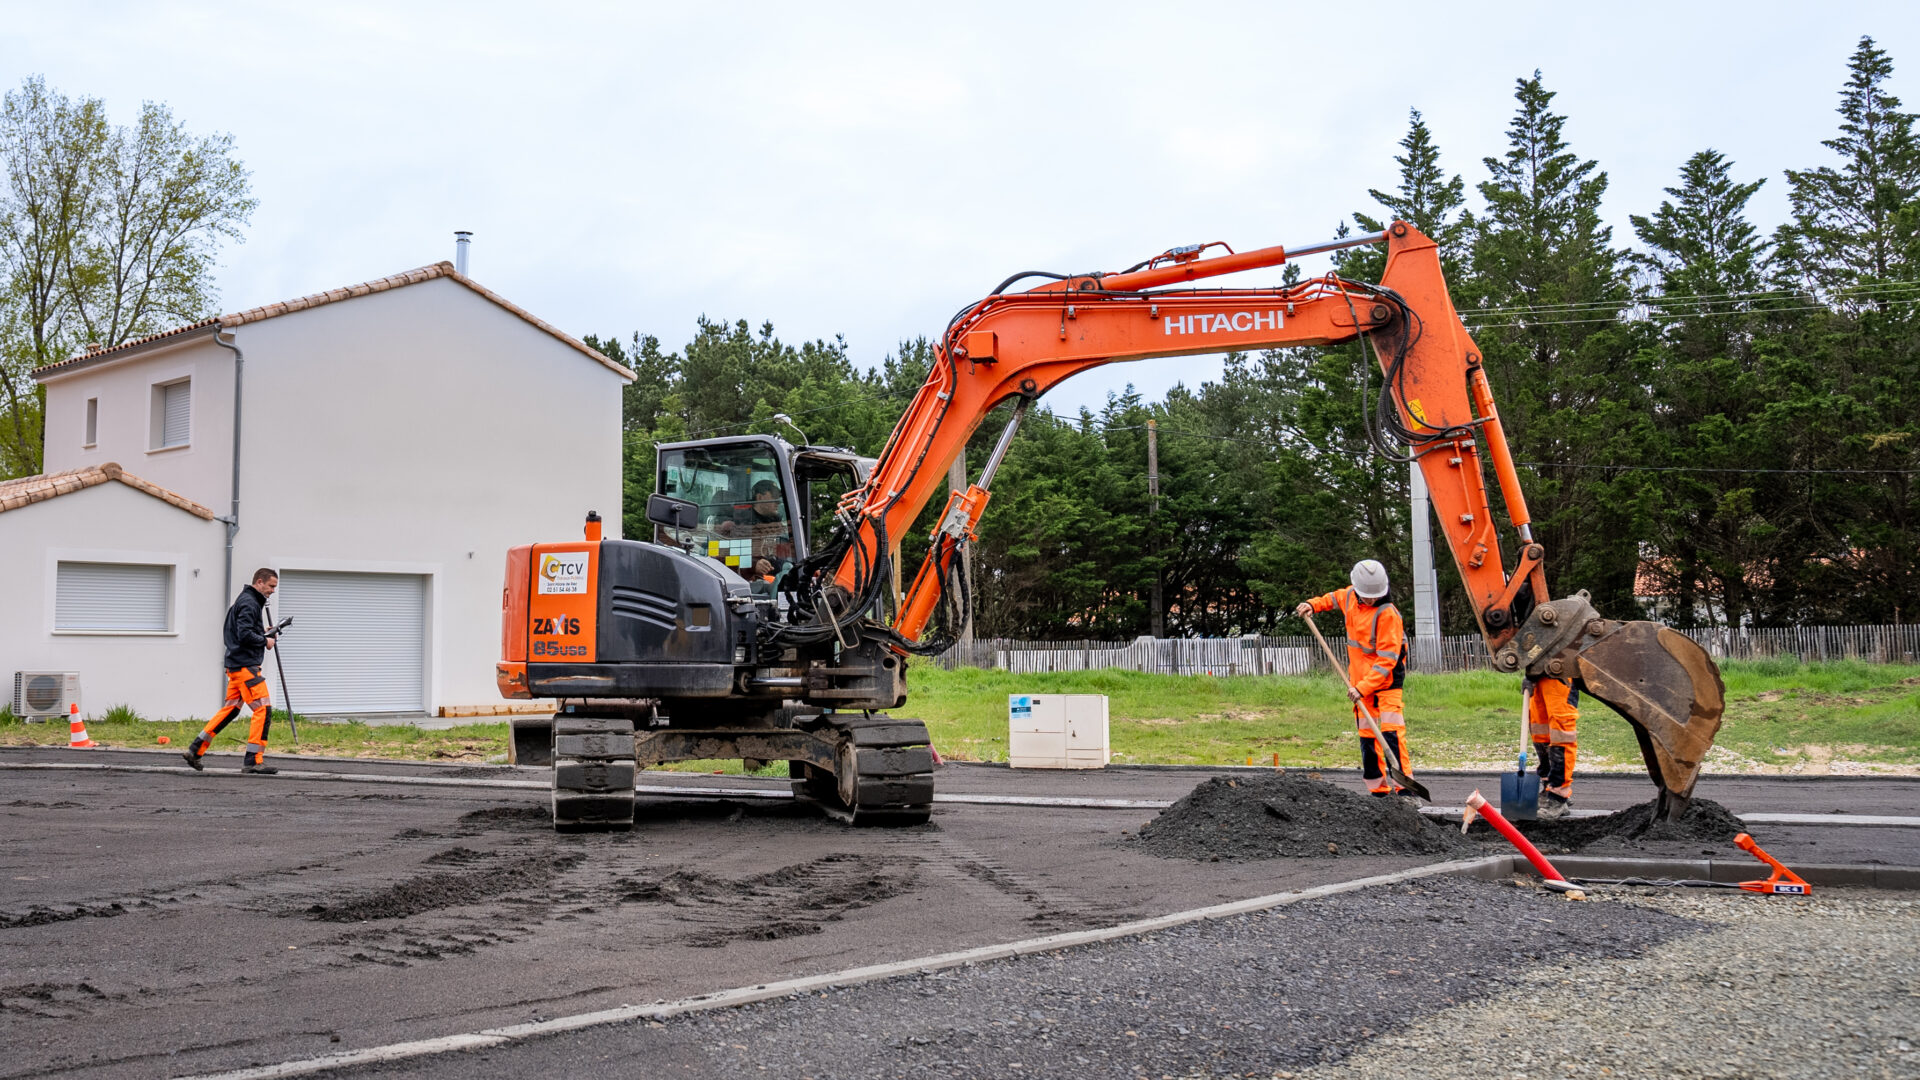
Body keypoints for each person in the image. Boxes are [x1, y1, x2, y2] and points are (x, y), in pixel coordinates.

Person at [1297, 559, 1411, 796]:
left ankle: (1406, 791)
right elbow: (1331, 598)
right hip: (1358, 681)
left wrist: (1364, 687)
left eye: (1375, 595)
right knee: (1367, 737)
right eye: (1366, 596)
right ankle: (1378, 791)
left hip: (1386, 681)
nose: (1371, 599)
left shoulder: (1388, 614)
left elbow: (1387, 660)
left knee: (1391, 733)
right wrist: (1311, 605)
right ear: (1357, 589)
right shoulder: (1349, 596)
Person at [182, 568, 281, 775]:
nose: (273, 591)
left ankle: (195, 750)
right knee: (263, 710)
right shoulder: (249, 603)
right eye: (271, 586)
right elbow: (244, 635)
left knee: (230, 710)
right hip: (246, 667)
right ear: (260, 582)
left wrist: (263, 631)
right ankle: (253, 761)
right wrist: (266, 640)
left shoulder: (245, 601)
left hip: (236, 667)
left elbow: (241, 631)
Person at [1527, 675, 1580, 819]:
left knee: (1561, 734)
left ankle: (1558, 796)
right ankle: (1548, 788)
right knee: (1540, 732)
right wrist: (1531, 675)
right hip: (1540, 677)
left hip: (1560, 676)